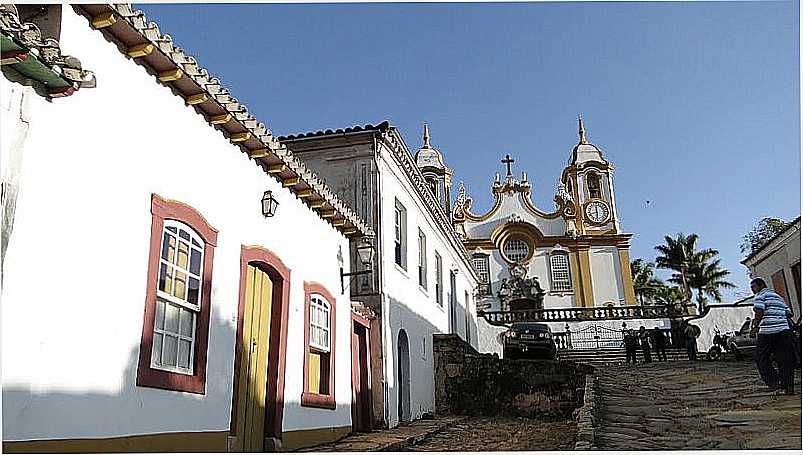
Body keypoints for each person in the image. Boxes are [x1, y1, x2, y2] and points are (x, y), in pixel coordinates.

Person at [749, 277, 795, 395]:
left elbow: (759, 312)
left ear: (759, 286)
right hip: (784, 331)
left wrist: (755, 328)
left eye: (753, 287)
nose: (752, 290)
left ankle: (774, 382)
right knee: (785, 360)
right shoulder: (778, 297)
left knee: (761, 358)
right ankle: (788, 387)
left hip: (768, 332)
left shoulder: (760, 296)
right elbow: (789, 313)